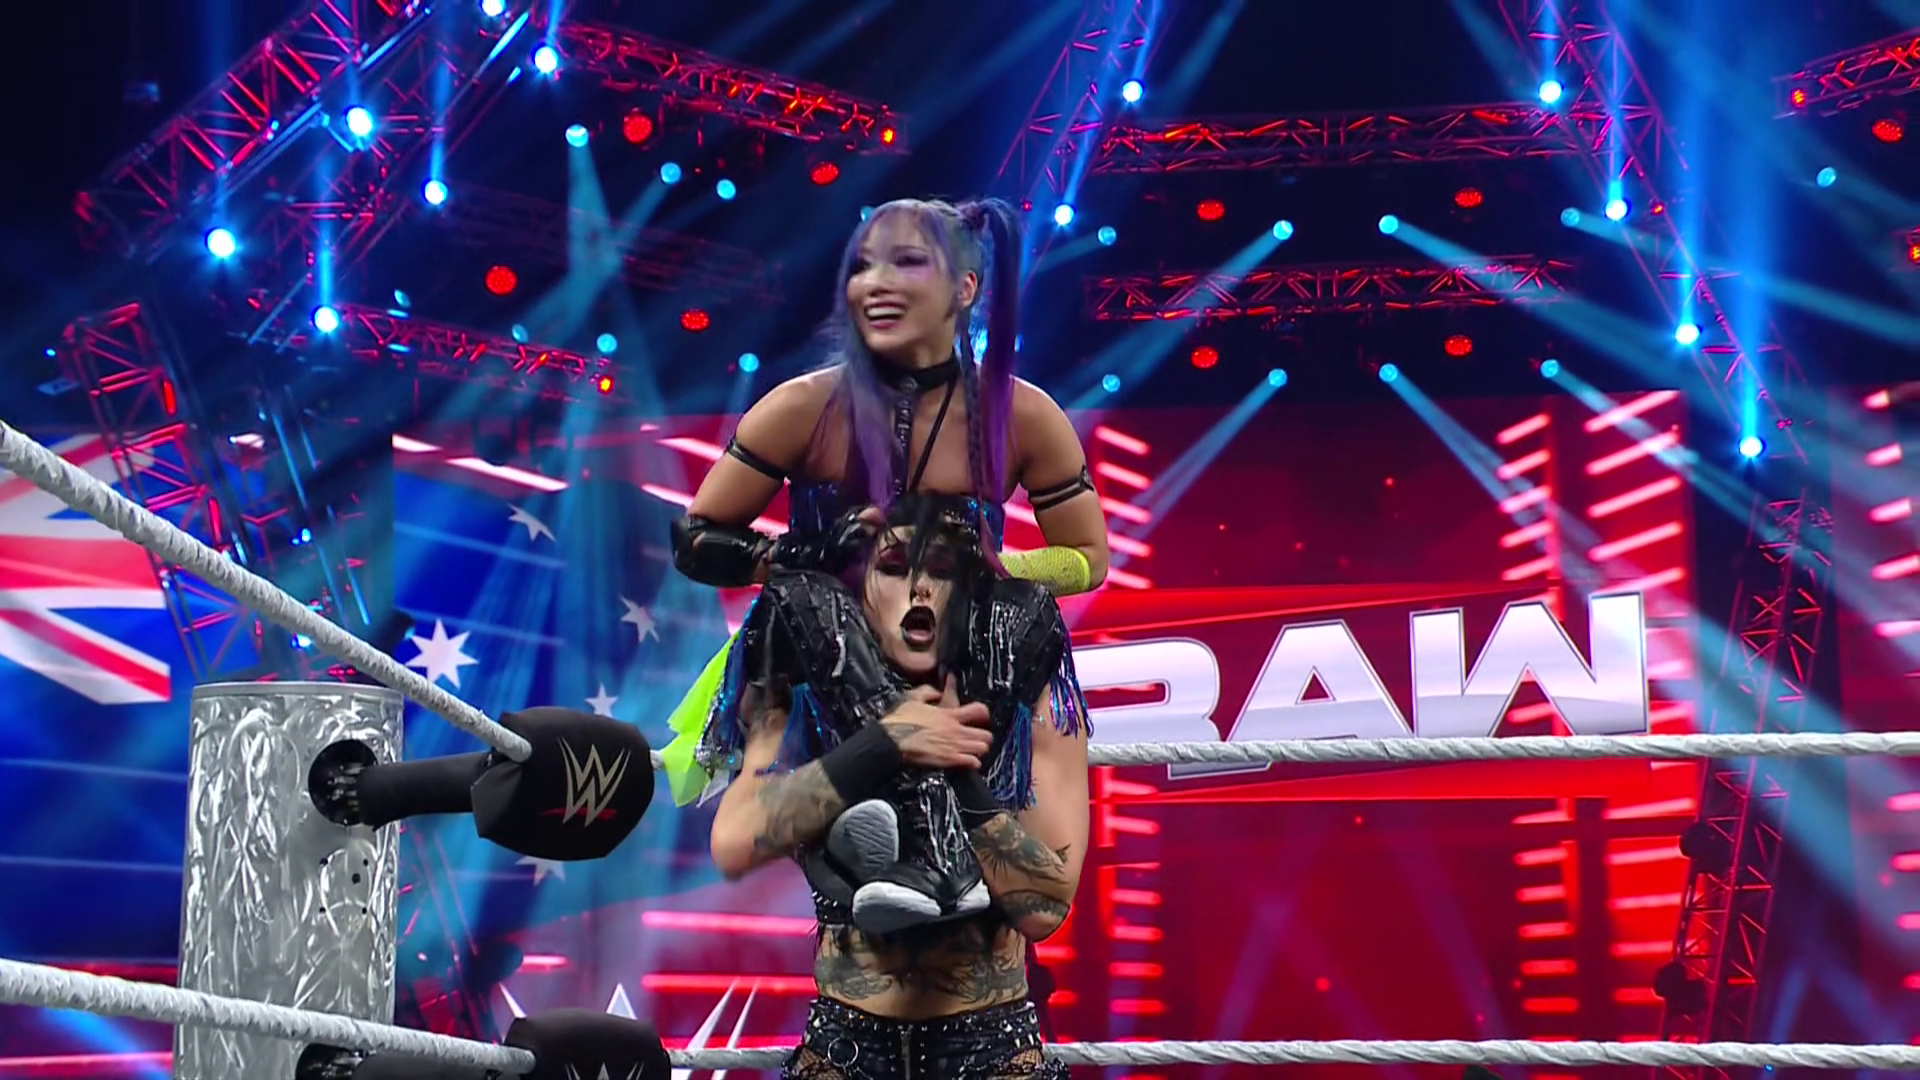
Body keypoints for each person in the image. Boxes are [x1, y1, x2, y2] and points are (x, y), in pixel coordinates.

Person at [660, 197, 1108, 920]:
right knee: (804, 599)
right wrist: (806, 553)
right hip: (826, 665)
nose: (875, 284)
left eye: (906, 262)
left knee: (1017, 612)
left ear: (965, 288)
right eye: (864, 265)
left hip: (966, 659)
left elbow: (1088, 558)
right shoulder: (802, 407)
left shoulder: (1022, 415)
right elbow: (697, 541)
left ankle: (928, 846)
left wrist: (992, 568)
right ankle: (893, 843)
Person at [707, 503, 1089, 1080]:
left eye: (942, 569)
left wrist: (953, 761)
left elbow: (1045, 908)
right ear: (859, 588)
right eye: (893, 567)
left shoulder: (1025, 692)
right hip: (844, 1046)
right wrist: (883, 743)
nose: (920, 588)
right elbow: (736, 841)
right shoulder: (806, 692)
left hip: (993, 1049)